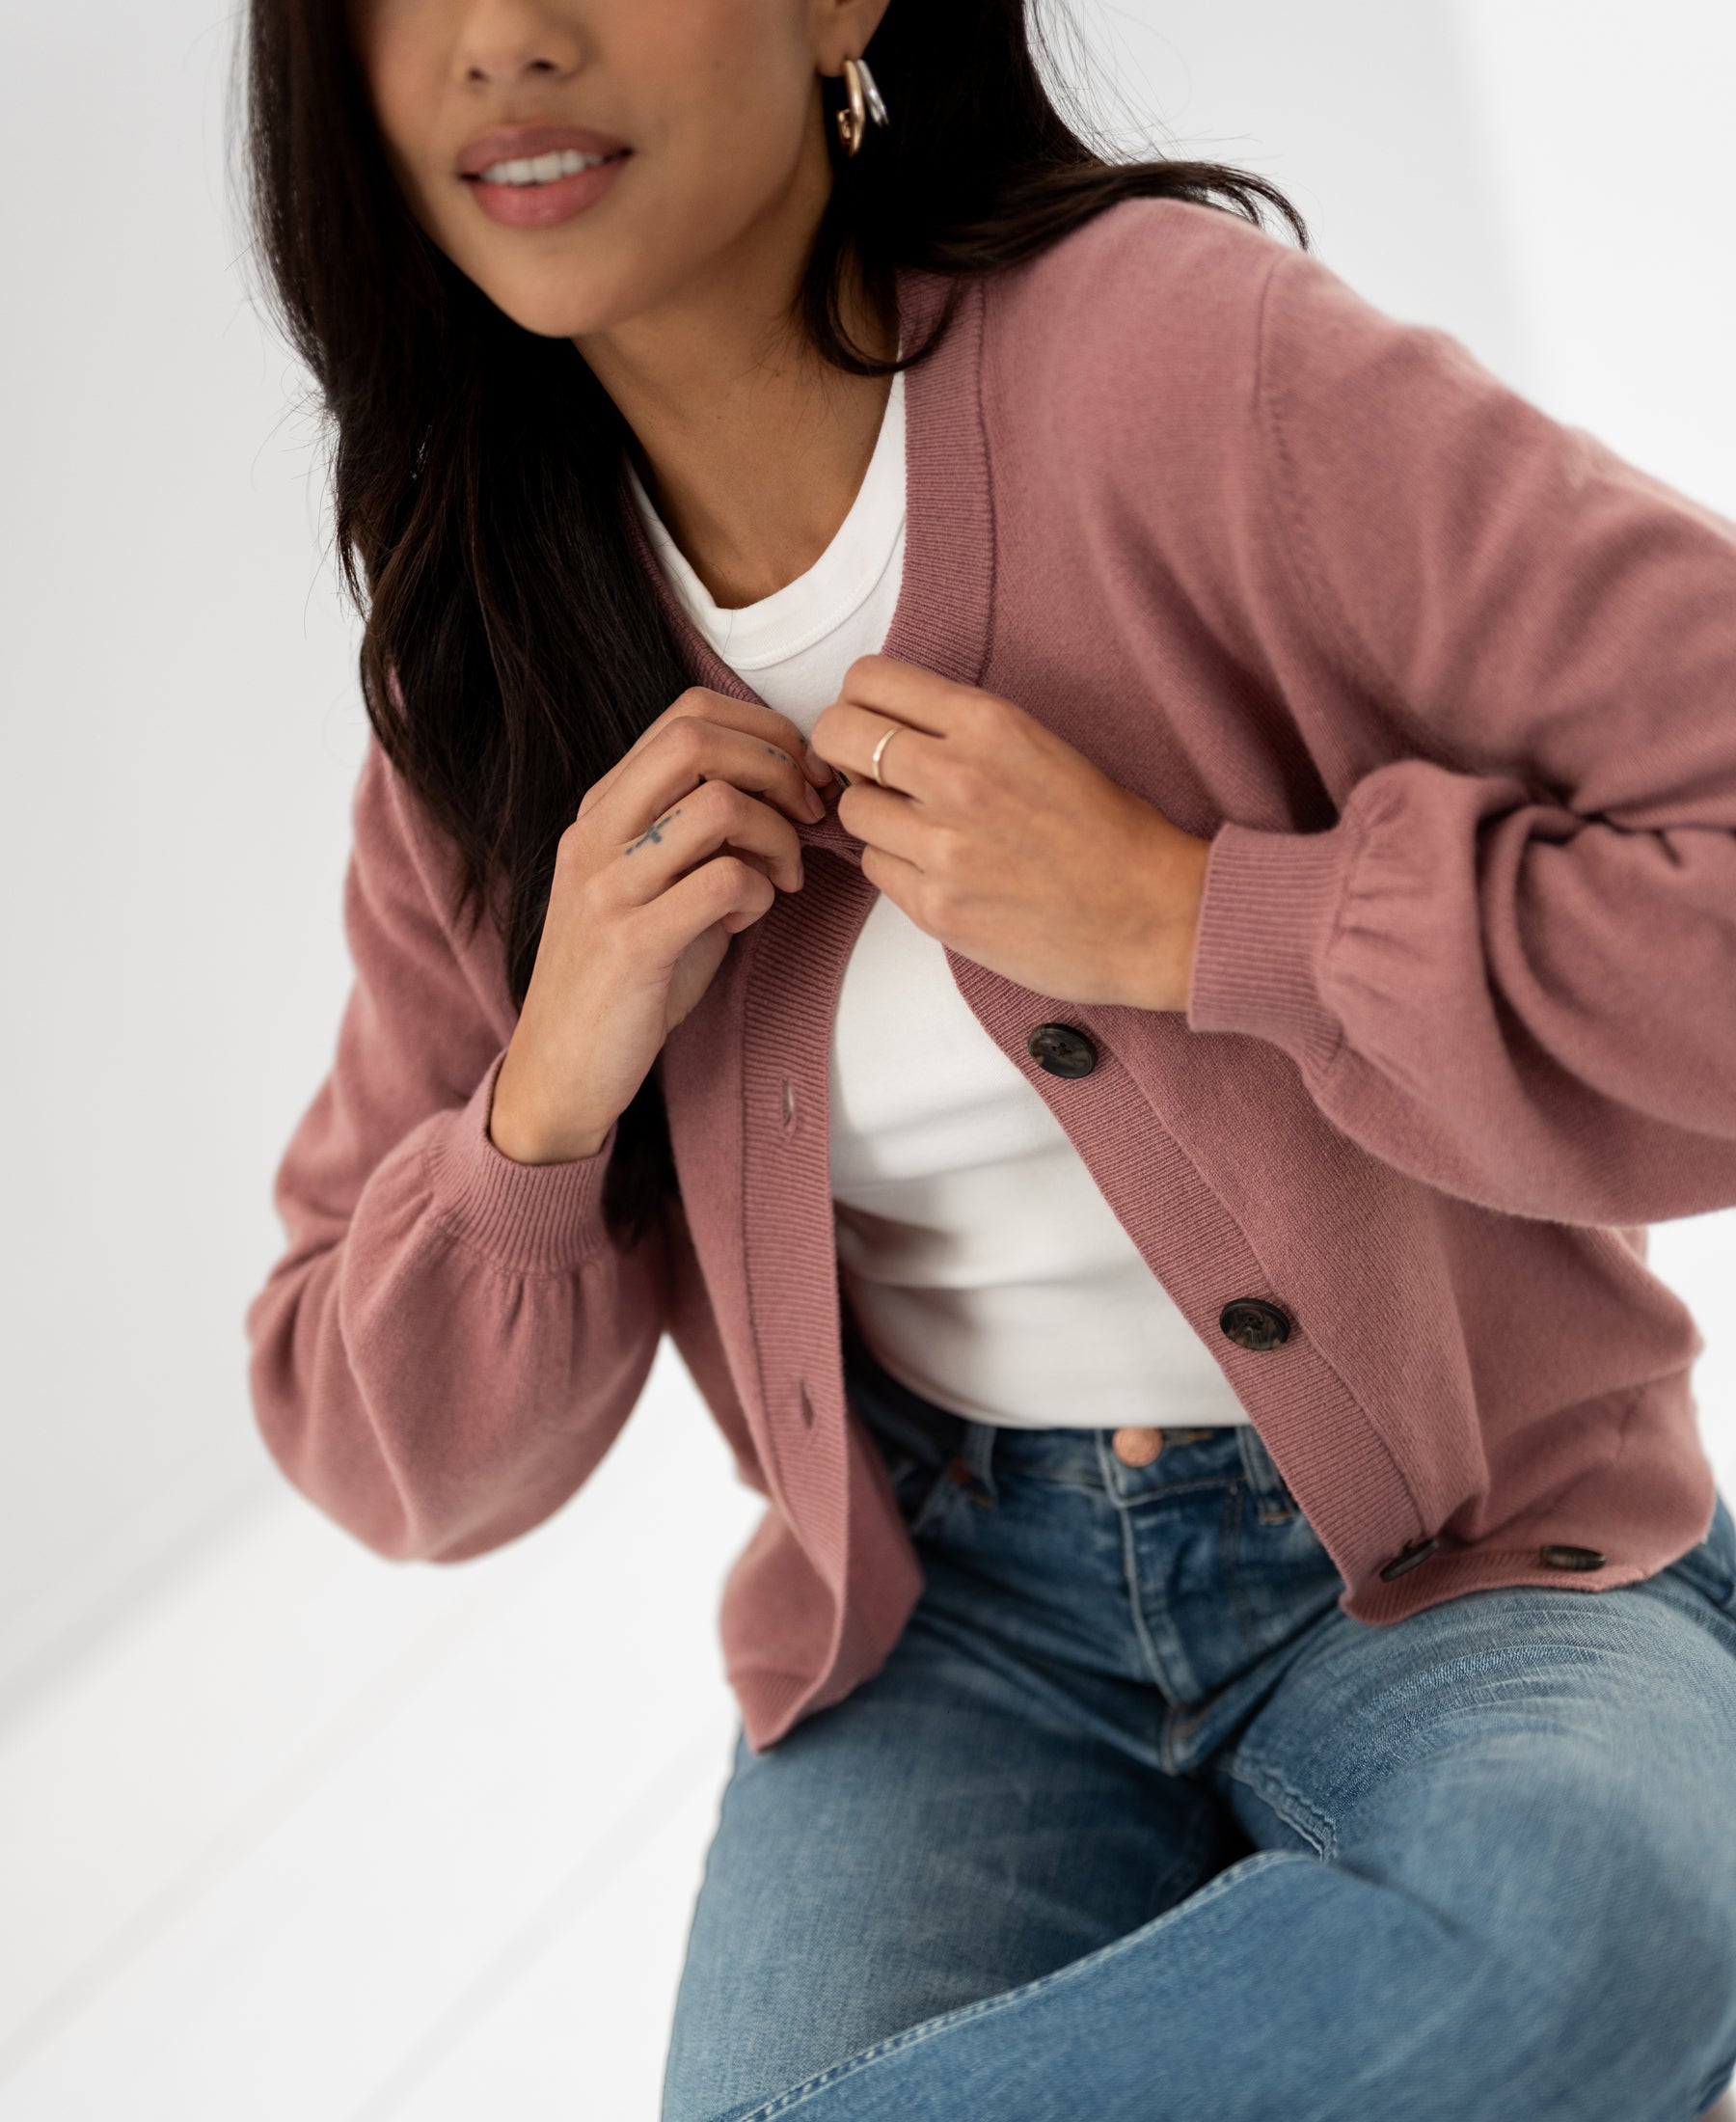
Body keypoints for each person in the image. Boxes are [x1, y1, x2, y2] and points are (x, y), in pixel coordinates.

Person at [240, 2, 1736, 2116]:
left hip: (1477, 1550)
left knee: (1599, 1922)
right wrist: (547, 1091)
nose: (508, 41)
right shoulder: (490, 641)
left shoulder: (1185, 368)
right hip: (956, 1627)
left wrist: (1202, 916)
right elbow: (370, 1434)